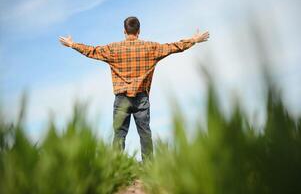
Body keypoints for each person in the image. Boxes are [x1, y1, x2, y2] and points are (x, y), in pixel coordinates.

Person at [59, 16, 209, 161]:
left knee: (119, 134)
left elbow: (91, 51)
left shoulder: (113, 49)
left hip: (121, 99)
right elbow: (174, 47)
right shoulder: (151, 47)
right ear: (139, 31)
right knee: (145, 133)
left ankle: (116, 165)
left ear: (124, 31)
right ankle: (149, 167)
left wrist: (73, 44)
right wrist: (194, 40)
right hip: (141, 99)